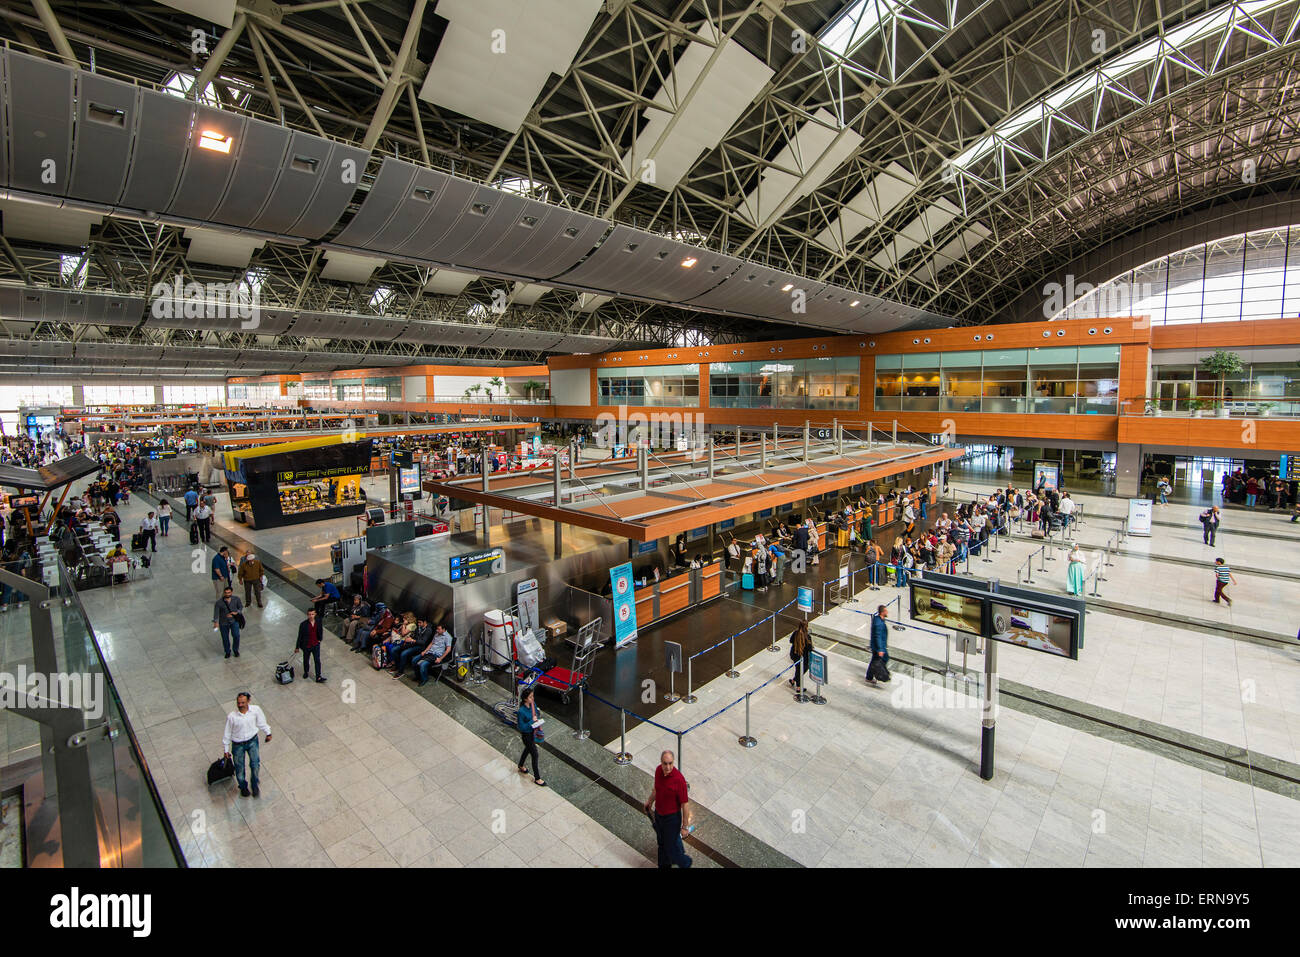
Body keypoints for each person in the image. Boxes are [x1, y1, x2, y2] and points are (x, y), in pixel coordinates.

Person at [644, 749, 692, 869]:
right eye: (665, 763)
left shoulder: (679, 780)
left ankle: (686, 862)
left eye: (670, 763)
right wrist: (650, 801)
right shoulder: (658, 771)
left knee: (671, 849)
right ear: (661, 762)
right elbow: (656, 789)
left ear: (673, 762)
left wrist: (685, 826)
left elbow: (685, 805)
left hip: (672, 819)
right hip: (659, 814)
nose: (668, 767)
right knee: (661, 843)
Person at [222, 692, 271, 798]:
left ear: (248, 701)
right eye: (238, 703)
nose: (240, 705)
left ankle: (254, 784)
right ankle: (243, 786)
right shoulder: (232, 717)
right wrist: (226, 749)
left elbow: (261, 722)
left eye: (243, 703)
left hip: (252, 741)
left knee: (255, 764)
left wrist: (268, 732)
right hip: (238, 744)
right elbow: (227, 733)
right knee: (239, 767)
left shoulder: (255, 710)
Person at [515, 687, 546, 787]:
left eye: (532, 696)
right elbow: (521, 727)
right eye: (530, 697)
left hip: (533, 732)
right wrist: (532, 721)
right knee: (535, 754)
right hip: (527, 735)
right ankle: (537, 778)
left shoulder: (533, 705)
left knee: (528, 749)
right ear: (525, 699)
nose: (532, 699)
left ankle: (520, 765)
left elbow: (536, 713)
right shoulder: (521, 711)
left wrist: (537, 719)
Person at [212, 586, 244, 659]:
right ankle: (227, 652)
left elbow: (241, 607)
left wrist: (236, 612)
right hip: (223, 623)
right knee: (225, 638)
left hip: (234, 621)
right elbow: (216, 613)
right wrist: (216, 622)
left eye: (229, 592)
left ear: (231, 592)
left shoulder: (236, 599)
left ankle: (235, 650)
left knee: (236, 635)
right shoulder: (219, 602)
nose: (227, 594)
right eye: (226, 593)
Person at [296, 607, 326, 682]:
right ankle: (306, 672)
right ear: (307, 615)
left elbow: (320, 630)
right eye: (309, 614)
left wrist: (320, 639)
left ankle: (318, 676)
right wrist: (297, 647)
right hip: (307, 645)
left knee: (317, 660)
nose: (311, 616)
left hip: (316, 645)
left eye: (312, 614)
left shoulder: (318, 621)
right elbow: (300, 636)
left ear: (315, 614)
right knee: (306, 660)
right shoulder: (303, 624)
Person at [866, 603, 890, 685]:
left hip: (878, 646)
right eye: (886, 611)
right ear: (882, 612)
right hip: (878, 647)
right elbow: (878, 636)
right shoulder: (879, 623)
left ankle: (870, 676)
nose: (887, 612)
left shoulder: (878, 619)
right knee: (882, 659)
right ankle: (878, 673)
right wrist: (880, 649)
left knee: (875, 661)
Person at [787, 620, 812, 691]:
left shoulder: (795, 633)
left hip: (794, 654)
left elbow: (791, 641)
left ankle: (793, 680)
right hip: (802, 657)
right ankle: (798, 687)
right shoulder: (807, 637)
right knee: (801, 670)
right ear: (806, 627)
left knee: (798, 669)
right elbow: (810, 648)